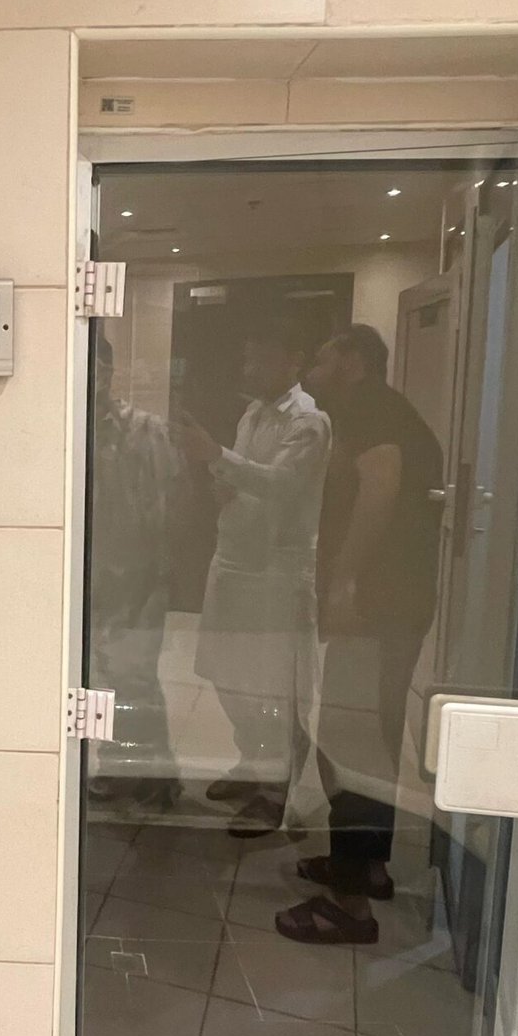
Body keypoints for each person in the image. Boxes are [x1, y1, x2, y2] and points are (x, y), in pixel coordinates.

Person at [276, 323, 444, 945]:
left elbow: (380, 485)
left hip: (377, 603)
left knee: (352, 738)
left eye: (322, 359)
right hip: (397, 602)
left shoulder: (371, 409)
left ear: (351, 362)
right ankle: (367, 867)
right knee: (372, 731)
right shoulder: (387, 409)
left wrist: (346, 581)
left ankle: (349, 906)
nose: (312, 371)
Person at [178, 324, 330, 838]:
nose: (250, 370)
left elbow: (282, 484)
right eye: (247, 360)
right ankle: (252, 763)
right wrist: (220, 480)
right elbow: (242, 478)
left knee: (271, 682)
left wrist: (216, 456)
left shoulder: (308, 422)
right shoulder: (253, 414)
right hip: (233, 558)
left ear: (293, 359)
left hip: (275, 571)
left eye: (260, 360)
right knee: (226, 671)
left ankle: (274, 788)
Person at [87, 332, 182, 810]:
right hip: (87, 574)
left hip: (137, 578)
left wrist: (156, 580)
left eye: (97, 367)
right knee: (101, 679)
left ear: (108, 371)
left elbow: (169, 509)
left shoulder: (145, 430)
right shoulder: (68, 422)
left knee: (136, 677)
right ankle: (121, 764)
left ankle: (156, 773)